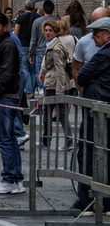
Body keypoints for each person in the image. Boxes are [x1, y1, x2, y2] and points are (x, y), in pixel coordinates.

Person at [72, 16, 110, 213]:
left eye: (96, 33)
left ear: (107, 35)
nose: (93, 37)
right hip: (100, 109)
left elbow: (84, 74)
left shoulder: (105, 52)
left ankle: (86, 199)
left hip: (98, 110)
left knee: (87, 152)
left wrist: (91, 79)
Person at [0, 12, 25, 195]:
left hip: (5, 96)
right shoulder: (2, 43)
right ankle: (15, 179)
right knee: (10, 139)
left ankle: (9, 178)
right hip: (6, 94)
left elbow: (7, 72)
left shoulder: (8, 44)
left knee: (5, 139)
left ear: (6, 27)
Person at [38, 20, 75, 148]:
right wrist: (42, 70)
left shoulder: (56, 47)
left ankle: (48, 140)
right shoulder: (52, 45)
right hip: (52, 81)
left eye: (50, 31)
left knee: (51, 113)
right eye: (46, 30)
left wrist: (60, 90)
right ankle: (65, 141)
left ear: (56, 32)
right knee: (58, 114)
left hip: (54, 83)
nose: (47, 33)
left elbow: (60, 69)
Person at [14, 1, 41, 95]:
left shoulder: (21, 17)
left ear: (25, 7)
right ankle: (33, 89)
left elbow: (16, 32)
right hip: (34, 45)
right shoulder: (37, 17)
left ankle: (29, 90)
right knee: (33, 69)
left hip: (23, 45)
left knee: (25, 68)